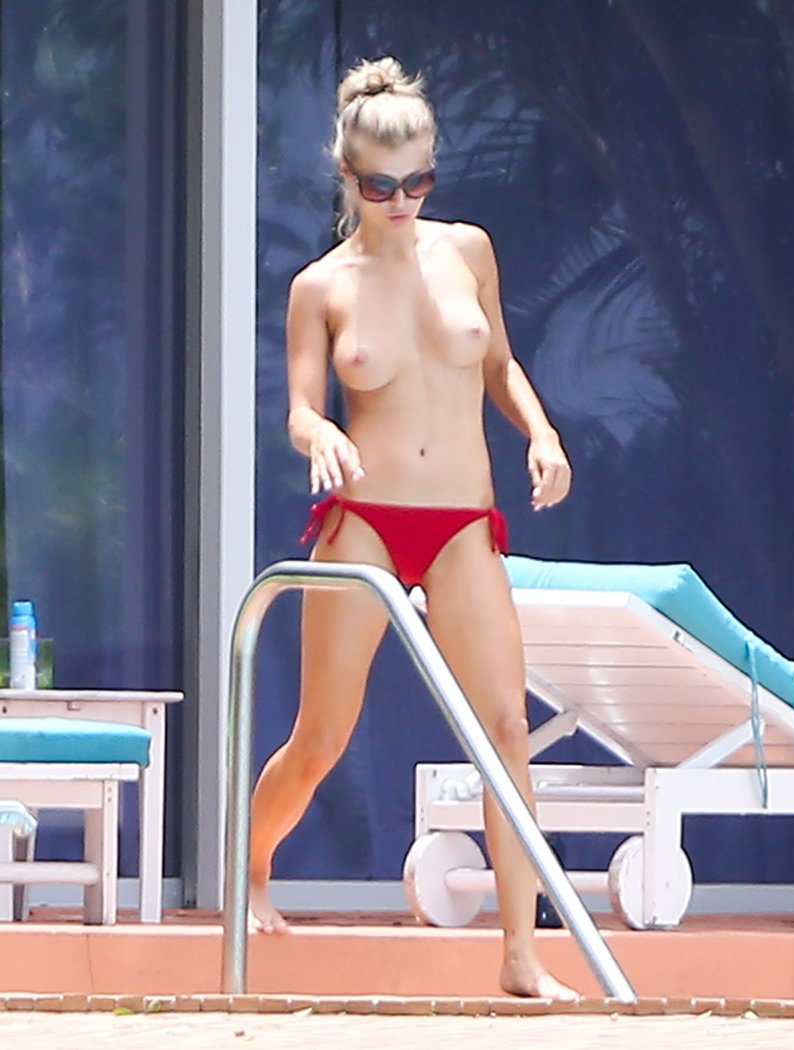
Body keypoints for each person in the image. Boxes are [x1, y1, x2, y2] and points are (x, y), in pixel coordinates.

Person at [250, 56, 576, 1000]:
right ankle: (253, 864)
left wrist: (542, 433)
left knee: (506, 727)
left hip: (463, 519)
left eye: (418, 182)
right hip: (365, 519)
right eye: (381, 186)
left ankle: (520, 956)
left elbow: (500, 364)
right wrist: (317, 434)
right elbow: (301, 407)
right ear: (347, 177)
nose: (402, 202)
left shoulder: (468, 251)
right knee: (322, 737)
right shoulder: (322, 285)